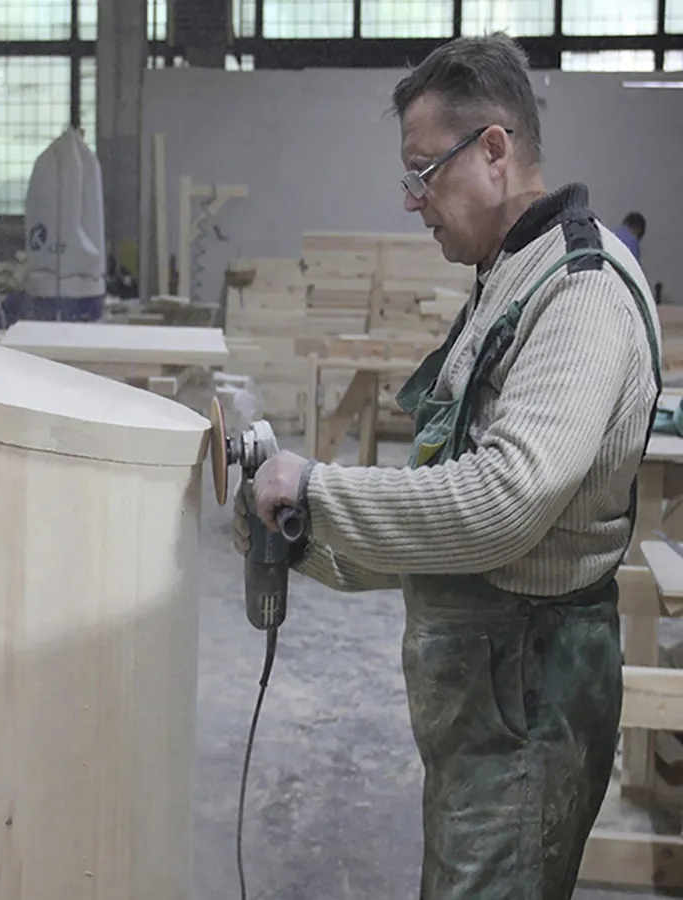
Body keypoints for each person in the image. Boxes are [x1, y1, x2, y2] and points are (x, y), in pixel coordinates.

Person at [232, 32, 662, 900]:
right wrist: (303, 536)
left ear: (495, 150)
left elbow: (503, 502)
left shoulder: (581, 290)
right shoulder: (511, 273)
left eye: (423, 172)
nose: (411, 200)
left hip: (529, 693)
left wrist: (317, 489)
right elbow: (449, 502)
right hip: (487, 692)